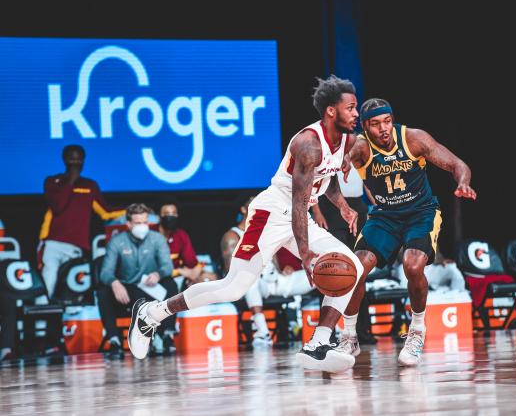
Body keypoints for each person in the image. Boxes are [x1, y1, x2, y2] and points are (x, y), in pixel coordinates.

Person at [127, 75, 364, 373]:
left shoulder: (345, 140)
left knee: (351, 266)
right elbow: (297, 202)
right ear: (331, 111)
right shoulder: (308, 143)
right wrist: (305, 254)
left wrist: (342, 206)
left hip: (298, 215)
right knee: (232, 288)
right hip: (273, 212)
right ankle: (151, 313)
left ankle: (318, 343)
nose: (357, 114)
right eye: (351, 107)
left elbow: (324, 178)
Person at [337, 98, 477, 366]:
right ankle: (349, 336)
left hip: (421, 212)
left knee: (412, 266)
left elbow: (457, 164)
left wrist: (463, 183)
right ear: (365, 127)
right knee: (356, 269)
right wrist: (345, 161)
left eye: (387, 121)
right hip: (385, 215)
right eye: (376, 124)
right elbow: (350, 154)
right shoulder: (360, 145)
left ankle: (416, 330)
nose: (384, 129)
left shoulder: (413, 138)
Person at [223, 196, 314, 347]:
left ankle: (333, 329)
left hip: (274, 282)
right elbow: (231, 271)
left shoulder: (266, 231)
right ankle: (262, 333)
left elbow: (275, 262)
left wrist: (283, 270)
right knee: (249, 279)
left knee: (317, 273)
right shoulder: (232, 236)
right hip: (252, 284)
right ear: (244, 209)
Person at [39, 145, 124, 300]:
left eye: (79, 159)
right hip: (53, 243)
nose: (76, 162)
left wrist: (132, 209)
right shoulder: (52, 182)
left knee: (73, 287)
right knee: (48, 282)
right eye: (72, 159)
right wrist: (71, 179)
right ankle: (40, 322)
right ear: (65, 160)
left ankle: (67, 322)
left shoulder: (89, 185)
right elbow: (58, 206)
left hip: (77, 247)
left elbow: (105, 213)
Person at [97, 203, 177, 357]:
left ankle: (168, 336)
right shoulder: (116, 242)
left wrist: (158, 274)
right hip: (127, 290)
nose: (142, 226)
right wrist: (114, 282)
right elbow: (105, 272)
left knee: (171, 285)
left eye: (145, 222)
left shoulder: (157, 239)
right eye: (138, 223)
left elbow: (167, 266)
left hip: (151, 288)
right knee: (103, 292)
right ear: (128, 224)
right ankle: (114, 341)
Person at [314, 168, 376, 344]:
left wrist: (379, 205)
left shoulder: (358, 145)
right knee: (331, 270)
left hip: (357, 207)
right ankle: (328, 333)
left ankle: (362, 331)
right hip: (330, 209)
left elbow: (368, 183)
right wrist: (317, 212)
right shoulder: (329, 149)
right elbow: (315, 181)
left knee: (359, 270)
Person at [157, 198, 217, 288]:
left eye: (174, 213)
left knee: (211, 278)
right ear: (159, 216)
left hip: (180, 276)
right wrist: (180, 271)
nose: (171, 216)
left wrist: (196, 271)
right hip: (158, 277)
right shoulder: (151, 233)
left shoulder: (181, 234)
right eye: (167, 213)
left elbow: (191, 263)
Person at [395, 246, 466, 292]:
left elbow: (437, 255)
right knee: (402, 269)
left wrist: (442, 261)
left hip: (430, 268)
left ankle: (457, 297)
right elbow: (400, 257)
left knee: (451, 267)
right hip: (413, 269)